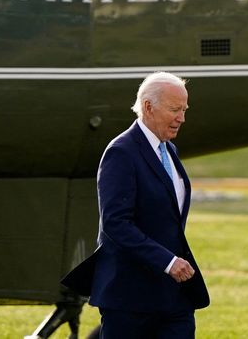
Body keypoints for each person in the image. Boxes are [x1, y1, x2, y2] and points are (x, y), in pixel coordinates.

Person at [62, 71, 209, 338]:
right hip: (130, 296)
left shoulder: (170, 151)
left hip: (173, 295)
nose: (182, 118)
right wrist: (167, 261)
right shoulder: (121, 152)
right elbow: (116, 224)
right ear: (148, 107)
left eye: (184, 109)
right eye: (175, 109)